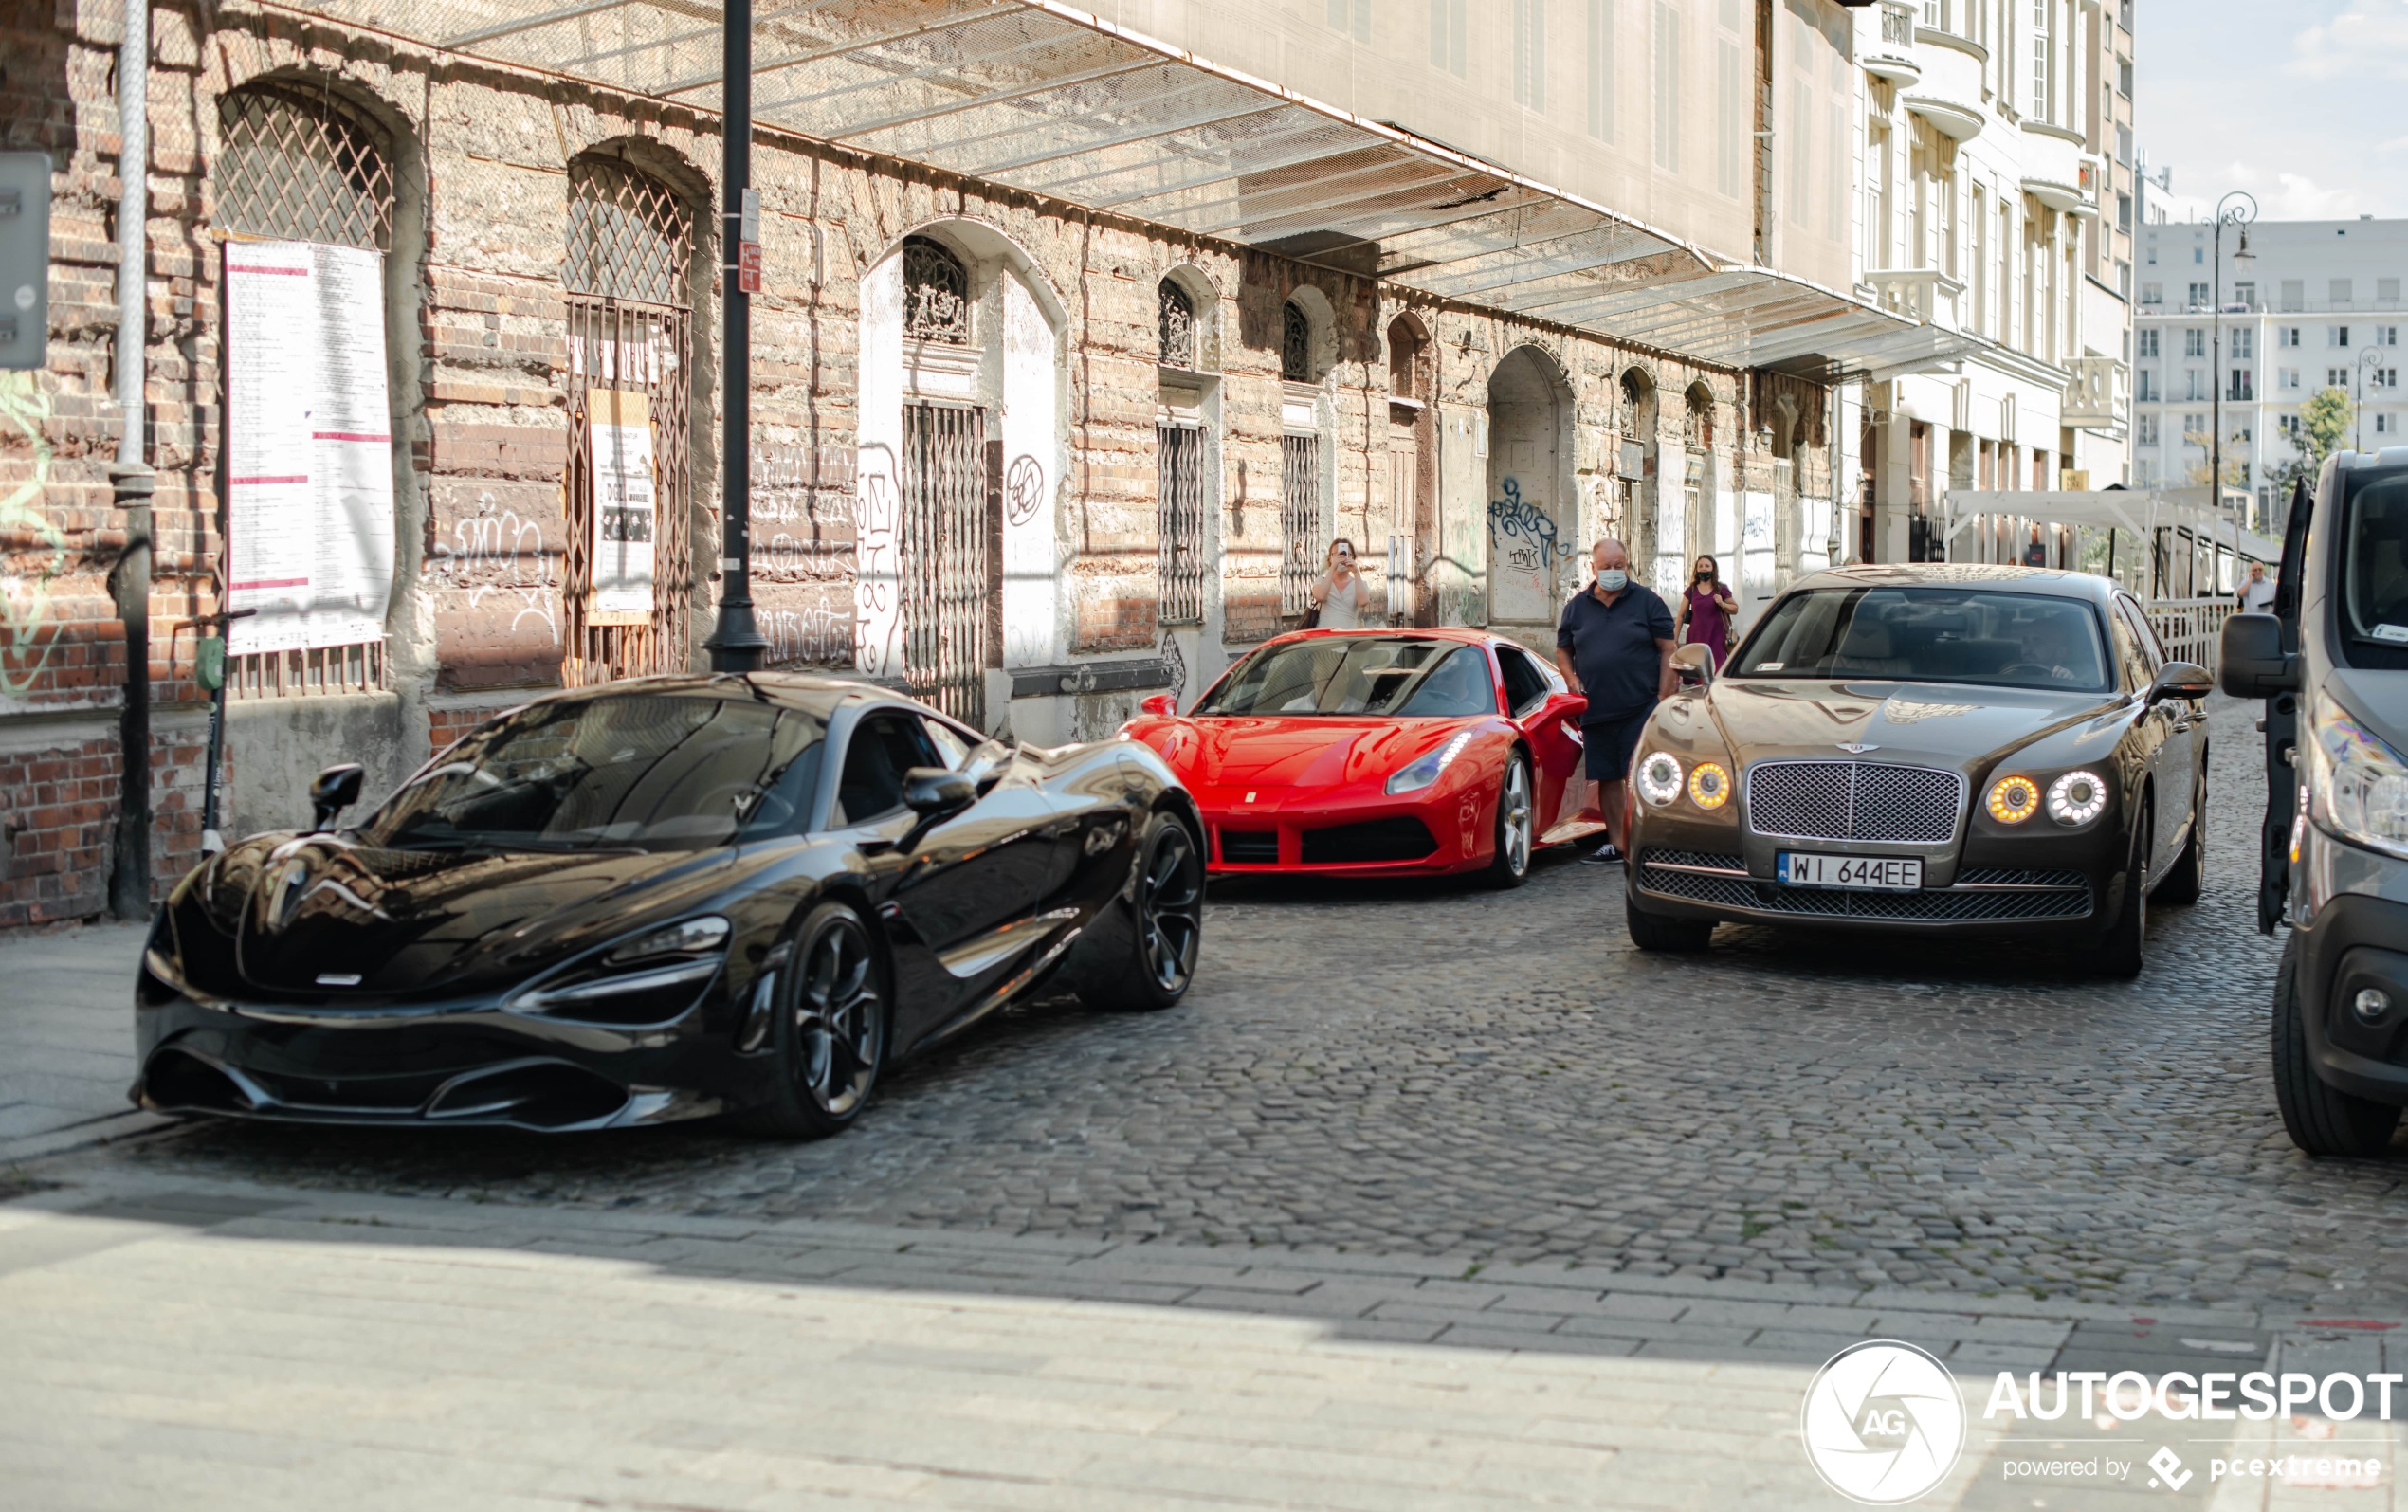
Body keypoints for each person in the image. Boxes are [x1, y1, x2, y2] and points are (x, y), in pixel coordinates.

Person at [1555, 538, 1677, 866]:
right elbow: (1564, 647)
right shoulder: (1577, 607)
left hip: (1640, 708)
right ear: (1592, 569)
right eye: (1606, 567)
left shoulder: (1647, 602)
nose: (1613, 572)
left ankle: (1648, 841)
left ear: (1627, 565)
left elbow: (1669, 648)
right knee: (1608, 778)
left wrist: (1662, 698)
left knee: (1642, 776)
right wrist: (1569, 677)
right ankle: (1617, 844)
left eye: (1619, 566)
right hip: (1595, 710)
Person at [1673, 555, 1739, 671]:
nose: (1704, 568)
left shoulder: (1720, 589)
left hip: (1716, 638)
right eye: (1701, 566)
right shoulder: (1691, 590)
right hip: (1696, 638)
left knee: (1716, 671)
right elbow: (1681, 616)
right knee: (1698, 673)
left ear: (1713, 569)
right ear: (1697, 570)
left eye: (1707, 566)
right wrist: (1675, 639)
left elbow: (1735, 609)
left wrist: (1723, 604)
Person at [1309, 538, 1375, 629]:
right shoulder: (1321, 581)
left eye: (1345, 554)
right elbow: (1320, 596)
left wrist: (1356, 572)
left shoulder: (1359, 583)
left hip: (1349, 638)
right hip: (1324, 638)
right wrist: (1333, 567)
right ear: (1330, 558)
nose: (1340, 557)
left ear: (1353, 558)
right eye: (1336, 554)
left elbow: (1363, 602)